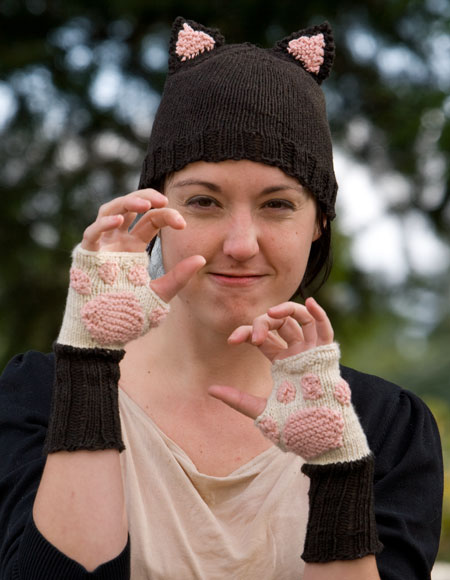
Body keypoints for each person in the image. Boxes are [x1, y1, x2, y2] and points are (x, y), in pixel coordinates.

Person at [0, 16, 443, 580]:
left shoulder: (386, 427)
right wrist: (88, 367)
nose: (240, 244)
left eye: (277, 204)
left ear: (319, 223)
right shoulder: (39, 395)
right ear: (155, 211)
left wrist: (337, 473)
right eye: (204, 202)